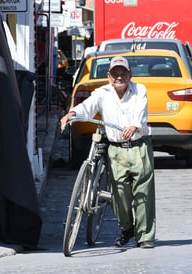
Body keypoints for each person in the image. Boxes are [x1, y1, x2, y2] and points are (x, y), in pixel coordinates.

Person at [59, 56, 156, 248]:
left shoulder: (139, 90)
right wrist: (72, 114)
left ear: (130, 75)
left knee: (143, 193)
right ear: (109, 76)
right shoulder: (102, 93)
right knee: (119, 194)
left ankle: (145, 236)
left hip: (139, 147)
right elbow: (87, 106)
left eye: (123, 73)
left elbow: (141, 113)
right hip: (116, 150)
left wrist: (134, 125)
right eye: (115, 73)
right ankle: (126, 228)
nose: (119, 77)